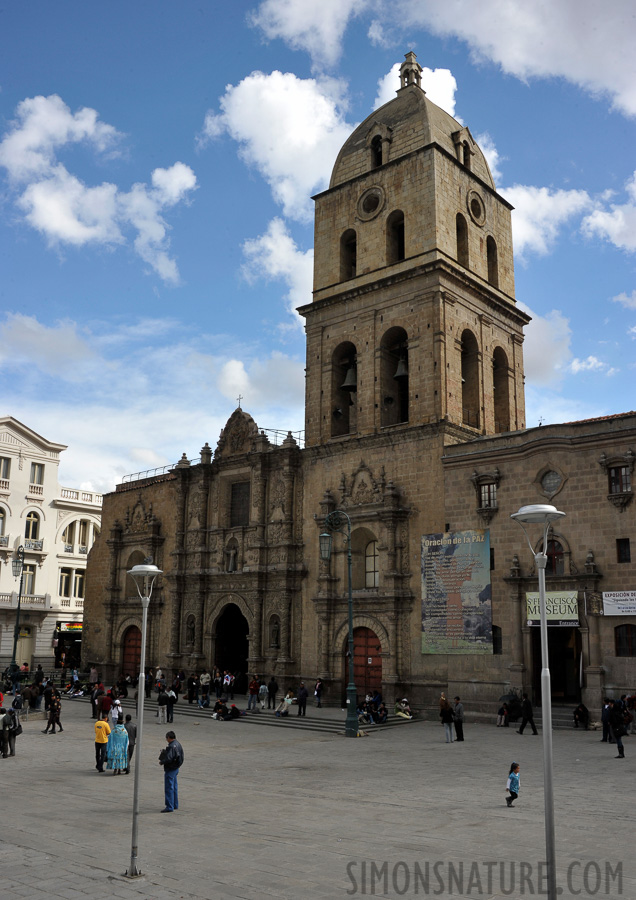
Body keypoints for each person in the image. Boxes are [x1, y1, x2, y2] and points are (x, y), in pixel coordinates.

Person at [159, 731, 184, 812]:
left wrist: (162, 761)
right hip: (176, 768)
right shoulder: (178, 744)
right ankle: (175, 804)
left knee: (169, 787)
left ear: (169, 738)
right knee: (174, 787)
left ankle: (169, 806)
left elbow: (169, 758)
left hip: (171, 768)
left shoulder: (172, 746)